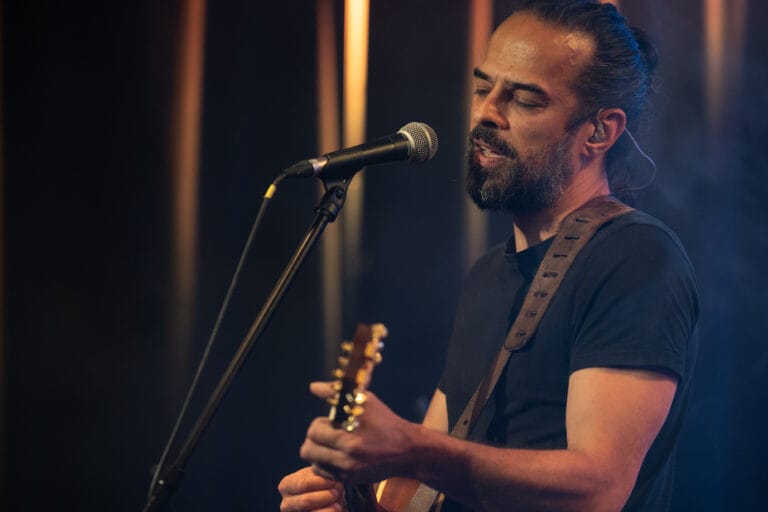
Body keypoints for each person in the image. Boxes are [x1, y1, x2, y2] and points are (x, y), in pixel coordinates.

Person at [278, 1, 699, 511]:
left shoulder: (633, 257)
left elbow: (599, 490)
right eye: (483, 89)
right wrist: (356, 500)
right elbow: (425, 488)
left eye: (524, 99)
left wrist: (411, 448)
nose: (485, 113)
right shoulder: (487, 275)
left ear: (599, 131)